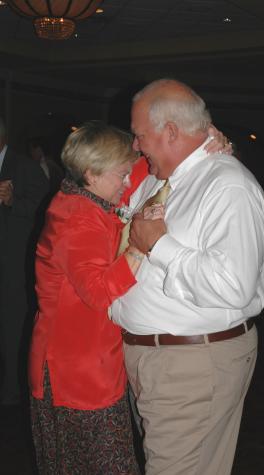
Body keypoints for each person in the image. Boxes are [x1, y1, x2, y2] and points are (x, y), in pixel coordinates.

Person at [111, 79, 264, 475]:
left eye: (139, 135)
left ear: (170, 131)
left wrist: (160, 245)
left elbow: (234, 286)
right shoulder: (153, 179)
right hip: (149, 359)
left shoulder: (228, 186)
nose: (134, 145)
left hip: (192, 365)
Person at [28, 121, 148, 474]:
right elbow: (97, 292)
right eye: (120, 175)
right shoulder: (78, 219)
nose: (127, 184)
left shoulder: (82, 195)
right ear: (92, 173)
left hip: (80, 360)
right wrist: (140, 246)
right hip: (76, 372)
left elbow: (140, 167)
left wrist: (205, 145)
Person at [0, 117, 49, 405]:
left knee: (13, 324)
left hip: (13, 263)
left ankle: (13, 392)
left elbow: (45, 211)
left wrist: (12, 201)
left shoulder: (25, 167)